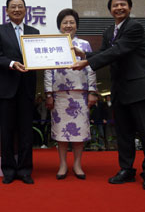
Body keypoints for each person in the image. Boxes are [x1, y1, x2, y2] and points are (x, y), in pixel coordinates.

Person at [72, 0, 145, 191]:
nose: (119, 8)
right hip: (119, 90)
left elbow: (118, 50)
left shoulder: (135, 27)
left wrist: (86, 61)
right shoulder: (109, 31)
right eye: (115, 5)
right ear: (110, 10)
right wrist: (85, 54)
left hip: (138, 88)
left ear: (129, 7)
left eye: (123, 4)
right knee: (123, 134)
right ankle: (126, 170)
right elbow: (105, 53)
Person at [0, 0, 39, 184]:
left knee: (26, 131)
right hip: (6, 87)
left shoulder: (34, 32)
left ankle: (25, 170)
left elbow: (38, 58)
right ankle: (8, 169)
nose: (17, 10)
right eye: (13, 7)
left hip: (26, 88)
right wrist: (11, 63)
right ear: (7, 11)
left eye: (20, 6)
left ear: (26, 10)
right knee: (7, 131)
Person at [44, 9, 97, 180]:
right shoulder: (52, 44)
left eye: (71, 22)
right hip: (59, 95)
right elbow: (47, 70)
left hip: (80, 94)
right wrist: (48, 94)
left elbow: (91, 68)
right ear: (59, 25)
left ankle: (77, 164)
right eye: (65, 22)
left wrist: (92, 92)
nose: (68, 25)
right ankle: (62, 164)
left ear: (76, 25)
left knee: (79, 133)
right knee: (61, 132)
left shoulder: (85, 44)